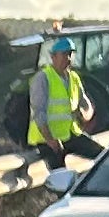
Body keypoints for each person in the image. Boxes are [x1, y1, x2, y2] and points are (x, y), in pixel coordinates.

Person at [30, 37, 94, 168]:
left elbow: (86, 103)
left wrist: (85, 114)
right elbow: (39, 112)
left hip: (70, 134)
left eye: (70, 54)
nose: (68, 58)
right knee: (61, 176)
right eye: (64, 54)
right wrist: (50, 140)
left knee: (104, 156)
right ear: (53, 57)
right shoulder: (42, 78)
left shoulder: (73, 77)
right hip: (47, 140)